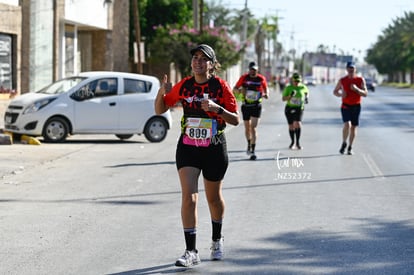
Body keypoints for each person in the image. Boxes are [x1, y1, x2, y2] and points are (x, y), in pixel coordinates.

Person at [154, 44, 239, 268]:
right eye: (195, 58)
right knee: (189, 197)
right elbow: (160, 109)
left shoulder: (220, 86)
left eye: (204, 59)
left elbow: (235, 119)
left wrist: (216, 108)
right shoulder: (185, 85)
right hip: (188, 147)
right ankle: (191, 251)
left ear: (212, 64)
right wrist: (162, 91)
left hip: (214, 147)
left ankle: (216, 239)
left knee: (213, 198)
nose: (198, 62)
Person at [233, 61, 269, 160]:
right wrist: (241, 91)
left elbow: (266, 89)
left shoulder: (261, 78)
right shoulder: (244, 78)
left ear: (257, 70)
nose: (253, 71)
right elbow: (235, 88)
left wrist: (266, 94)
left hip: (256, 105)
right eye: (251, 69)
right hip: (246, 105)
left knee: (253, 127)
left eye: (255, 70)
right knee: (247, 128)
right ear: (249, 70)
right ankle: (249, 143)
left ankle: (253, 149)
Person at [333, 61, 368, 155]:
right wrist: (341, 94)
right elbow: (335, 91)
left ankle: (350, 147)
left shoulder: (360, 80)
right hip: (345, 105)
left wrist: (357, 89)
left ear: (355, 69)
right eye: (349, 68)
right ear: (346, 69)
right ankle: (344, 142)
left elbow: (365, 94)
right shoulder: (342, 80)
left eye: (352, 68)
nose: (351, 70)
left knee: (353, 127)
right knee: (347, 124)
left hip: (356, 106)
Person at [282, 72, 309, 150]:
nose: (297, 83)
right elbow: (283, 99)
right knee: (291, 126)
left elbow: (307, 93)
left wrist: (306, 98)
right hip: (289, 108)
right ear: (292, 80)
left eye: (298, 81)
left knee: (297, 123)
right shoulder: (288, 88)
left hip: (299, 107)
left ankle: (297, 142)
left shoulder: (303, 87)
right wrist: (290, 96)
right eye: (295, 81)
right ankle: (292, 142)